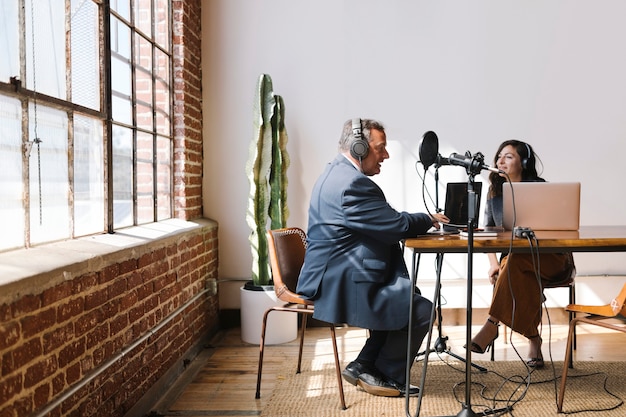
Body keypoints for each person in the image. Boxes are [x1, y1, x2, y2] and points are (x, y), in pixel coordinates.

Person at [296, 118, 448, 397]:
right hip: (337, 281)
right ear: (359, 147)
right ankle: (383, 374)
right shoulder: (352, 185)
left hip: (334, 271)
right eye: (381, 148)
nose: (386, 155)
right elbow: (396, 226)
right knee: (420, 309)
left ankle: (363, 364)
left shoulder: (336, 173)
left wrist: (414, 219)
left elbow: (385, 221)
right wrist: (427, 218)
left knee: (404, 294)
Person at [469, 140, 575, 368]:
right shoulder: (494, 192)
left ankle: (491, 324)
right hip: (516, 261)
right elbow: (489, 232)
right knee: (514, 266)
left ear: (524, 163)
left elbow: (560, 228)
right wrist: (492, 264)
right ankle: (534, 341)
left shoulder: (542, 188)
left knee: (515, 264)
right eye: (499, 156)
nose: (500, 161)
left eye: (508, 156)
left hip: (552, 258)